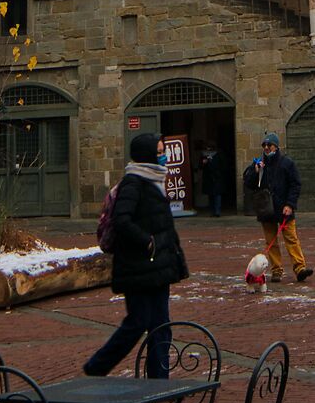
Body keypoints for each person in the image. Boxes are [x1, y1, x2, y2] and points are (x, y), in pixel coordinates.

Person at [83, 132, 188, 377]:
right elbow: (122, 220)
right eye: (159, 152)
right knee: (137, 323)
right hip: (137, 267)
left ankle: (159, 381)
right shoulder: (134, 182)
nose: (164, 157)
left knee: (161, 326)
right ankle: (97, 366)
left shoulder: (156, 181)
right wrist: (147, 242)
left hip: (158, 267)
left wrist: (172, 255)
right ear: (147, 155)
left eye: (163, 152)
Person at [242, 133, 311, 283]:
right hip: (266, 209)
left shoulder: (287, 163)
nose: (266, 148)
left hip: (283, 208)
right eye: (264, 145)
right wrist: (255, 171)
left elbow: (295, 185)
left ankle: (300, 268)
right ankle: (276, 270)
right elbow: (248, 183)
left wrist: (290, 204)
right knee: (271, 241)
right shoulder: (259, 163)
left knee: (291, 239)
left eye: (270, 145)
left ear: (276, 146)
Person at [200, 141, 227, 217]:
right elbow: (200, 166)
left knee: (217, 195)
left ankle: (217, 211)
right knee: (210, 195)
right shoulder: (204, 155)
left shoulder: (219, 154)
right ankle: (212, 211)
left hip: (217, 177)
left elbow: (223, 165)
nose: (208, 149)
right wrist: (204, 163)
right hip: (208, 178)